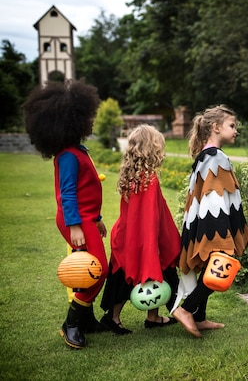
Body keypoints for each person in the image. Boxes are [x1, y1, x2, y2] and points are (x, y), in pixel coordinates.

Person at [22, 80, 109, 349]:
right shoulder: (68, 156)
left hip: (86, 219)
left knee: (87, 269)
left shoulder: (77, 151)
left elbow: (88, 191)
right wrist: (75, 226)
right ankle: (70, 324)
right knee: (97, 270)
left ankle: (86, 320)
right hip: (76, 221)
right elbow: (67, 194)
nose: (92, 121)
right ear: (73, 121)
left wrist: (97, 219)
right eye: (88, 117)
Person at [171, 105, 248, 338]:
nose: (235, 130)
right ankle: (186, 310)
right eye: (232, 126)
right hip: (213, 223)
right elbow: (212, 198)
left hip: (207, 221)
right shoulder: (214, 157)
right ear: (216, 127)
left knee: (209, 263)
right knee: (219, 264)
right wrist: (219, 229)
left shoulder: (207, 155)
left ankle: (199, 316)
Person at [99, 125, 180, 334]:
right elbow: (148, 216)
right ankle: (113, 318)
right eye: (159, 147)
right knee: (127, 279)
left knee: (152, 273)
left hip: (130, 236)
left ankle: (152, 317)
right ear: (151, 149)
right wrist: (150, 246)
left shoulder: (133, 176)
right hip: (139, 238)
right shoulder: (149, 180)